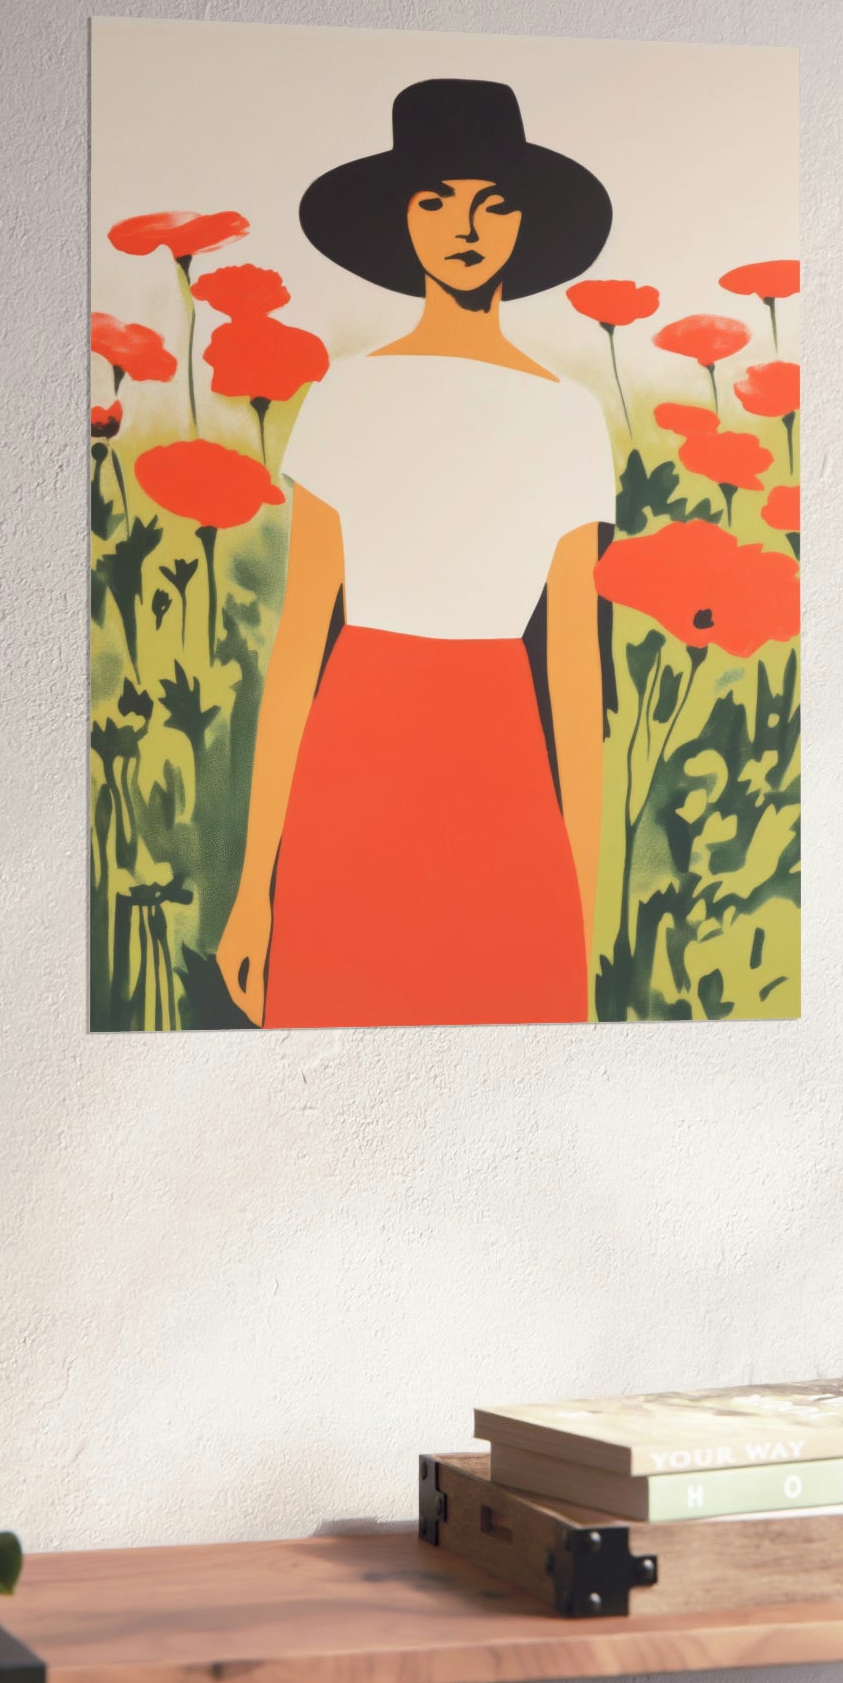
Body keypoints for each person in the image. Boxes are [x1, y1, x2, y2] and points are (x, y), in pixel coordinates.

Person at [215, 79, 618, 1027]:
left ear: (524, 224)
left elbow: (574, 673)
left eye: (492, 202)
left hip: (504, 765)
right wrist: (251, 888)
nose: (464, 227)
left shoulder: (568, 415)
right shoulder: (347, 397)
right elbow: (297, 647)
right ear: (402, 221)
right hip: (353, 764)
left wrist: (585, 909)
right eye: (435, 200)